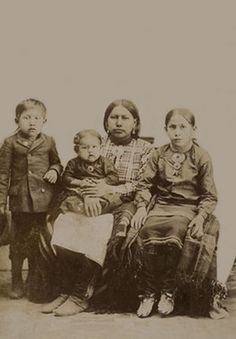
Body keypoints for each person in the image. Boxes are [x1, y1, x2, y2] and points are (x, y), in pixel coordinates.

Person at [41, 99, 153, 316]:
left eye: (125, 118)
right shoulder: (96, 143)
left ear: (135, 123)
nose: (119, 122)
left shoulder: (145, 149)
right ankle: (65, 291)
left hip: (122, 201)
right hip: (87, 198)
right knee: (64, 223)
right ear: (106, 122)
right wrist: (87, 194)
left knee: (98, 228)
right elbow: (78, 174)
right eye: (114, 117)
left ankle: (80, 295)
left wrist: (106, 190)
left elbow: (143, 184)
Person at [132, 108, 227, 318]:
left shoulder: (201, 156)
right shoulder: (158, 154)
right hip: (161, 205)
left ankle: (168, 290)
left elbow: (210, 195)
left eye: (183, 127)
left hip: (187, 208)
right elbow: (144, 184)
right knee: (145, 230)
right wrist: (140, 207)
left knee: (176, 230)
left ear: (193, 130)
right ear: (166, 129)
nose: (177, 132)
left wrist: (201, 217)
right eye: (172, 127)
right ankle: (148, 292)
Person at [0, 98, 63, 301]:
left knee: (40, 242)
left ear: (45, 120)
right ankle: (17, 279)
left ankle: (35, 281)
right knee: (18, 243)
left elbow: (57, 163)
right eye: (27, 117)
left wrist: (54, 170)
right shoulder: (10, 143)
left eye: (37, 118)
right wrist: (1, 203)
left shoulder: (49, 141)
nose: (32, 122)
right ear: (17, 120)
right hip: (20, 202)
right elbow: (2, 175)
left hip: (43, 202)